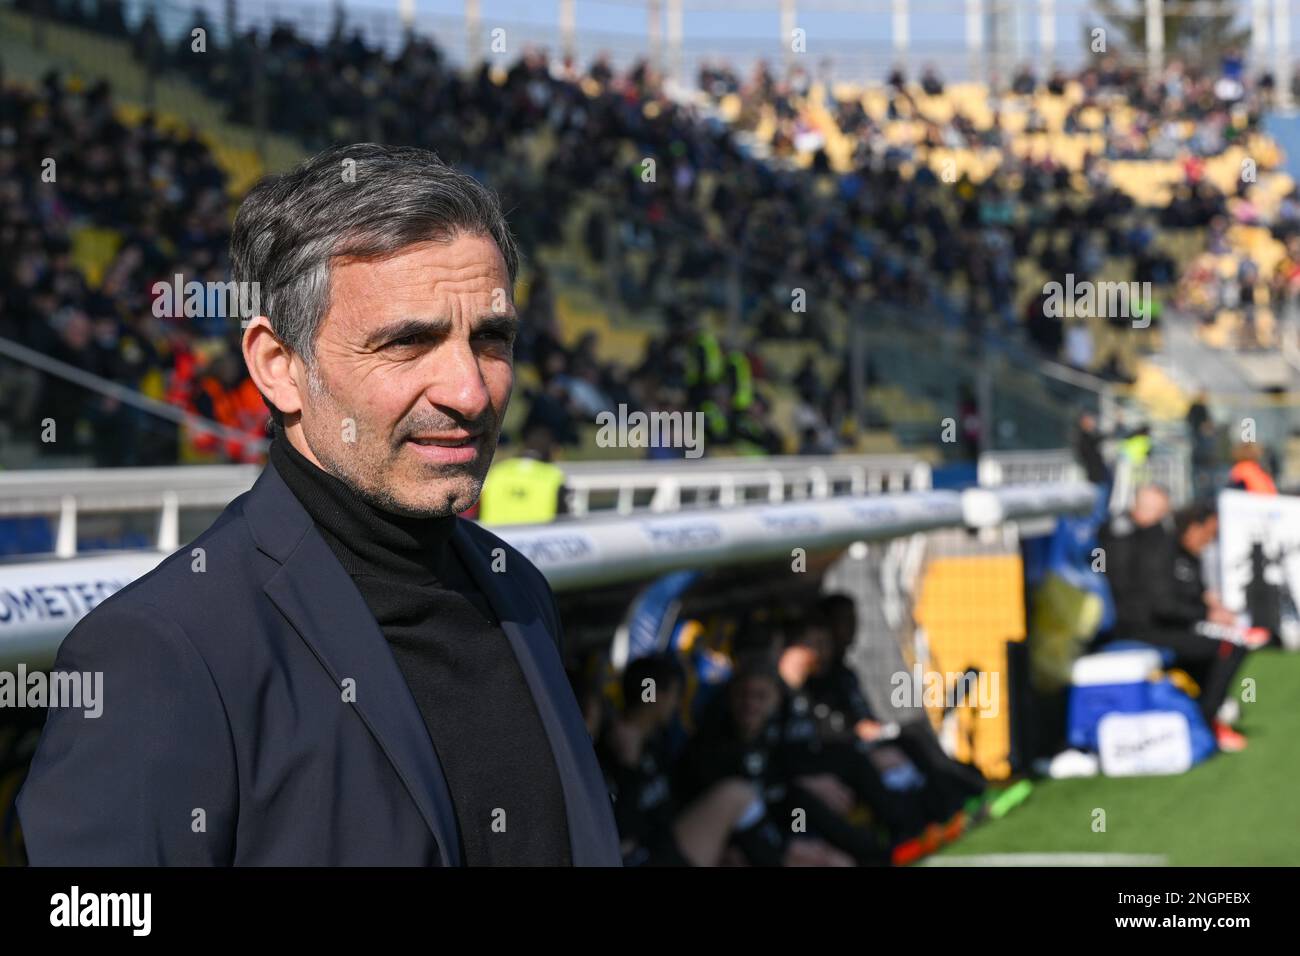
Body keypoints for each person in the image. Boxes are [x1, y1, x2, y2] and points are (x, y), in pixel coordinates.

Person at [18, 144, 621, 866]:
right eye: (408, 342)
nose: (468, 392)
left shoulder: (522, 594)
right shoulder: (164, 652)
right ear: (279, 366)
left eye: (491, 340)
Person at [595, 653, 844, 867]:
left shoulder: (655, 742)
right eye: (673, 694)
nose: (676, 704)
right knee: (736, 795)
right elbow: (621, 832)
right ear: (654, 694)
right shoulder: (618, 750)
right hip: (649, 855)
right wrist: (628, 769)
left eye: (761, 696)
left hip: (683, 842)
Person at [1100, 493, 1263, 751]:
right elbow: (1162, 605)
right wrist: (1205, 612)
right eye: (1161, 514)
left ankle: (1206, 711)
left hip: (1156, 627)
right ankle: (1207, 720)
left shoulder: (1161, 548)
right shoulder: (1140, 546)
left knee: (1216, 646)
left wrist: (1205, 603)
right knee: (1228, 647)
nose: (1166, 521)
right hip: (1140, 631)